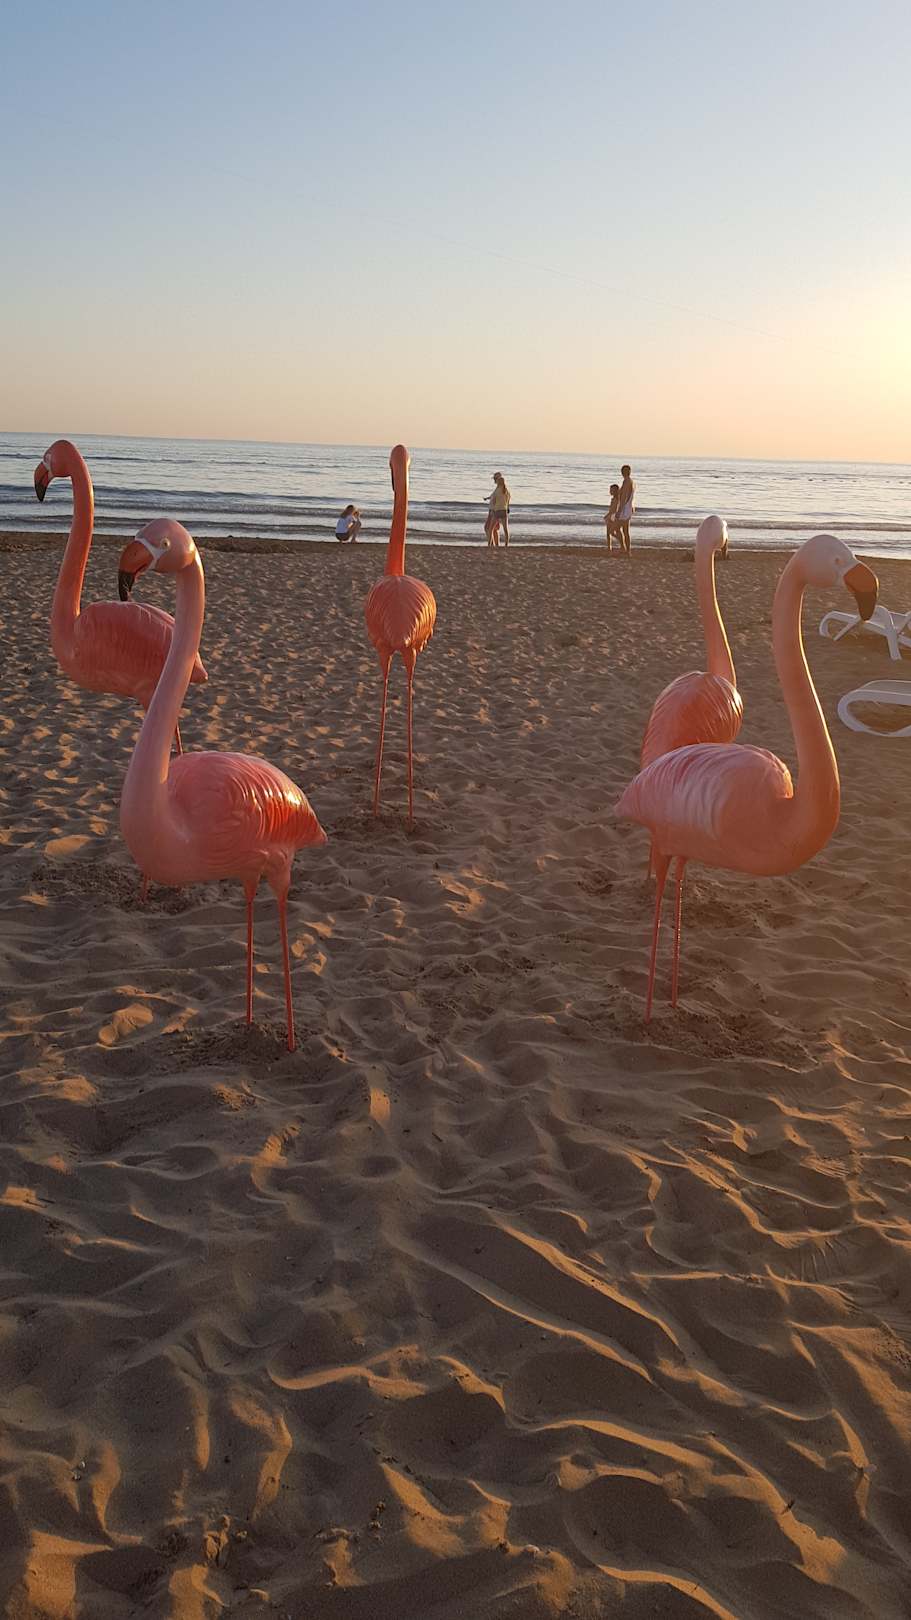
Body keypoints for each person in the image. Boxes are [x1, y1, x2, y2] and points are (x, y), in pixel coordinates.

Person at [484, 472, 511, 548]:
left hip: (495, 511)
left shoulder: (498, 490)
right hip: (503, 511)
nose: (494, 480)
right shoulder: (505, 490)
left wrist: (493, 511)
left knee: (489, 528)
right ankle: (503, 545)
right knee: (502, 529)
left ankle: (491, 545)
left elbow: (494, 500)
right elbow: (507, 499)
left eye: (495, 479)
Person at [617, 464, 636, 553]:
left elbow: (624, 497)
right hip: (628, 508)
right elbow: (630, 497)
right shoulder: (631, 481)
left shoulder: (626, 482)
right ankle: (627, 550)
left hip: (625, 509)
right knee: (625, 531)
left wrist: (619, 510)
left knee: (615, 528)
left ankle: (623, 547)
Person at [604, 484, 621, 550]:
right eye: (610, 490)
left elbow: (615, 509)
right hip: (611, 516)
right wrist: (608, 515)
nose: (610, 492)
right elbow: (611, 509)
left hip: (614, 516)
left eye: (612, 490)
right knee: (608, 532)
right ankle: (609, 547)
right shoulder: (613, 499)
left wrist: (610, 515)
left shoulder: (617, 499)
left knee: (612, 532)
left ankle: (622, 542)